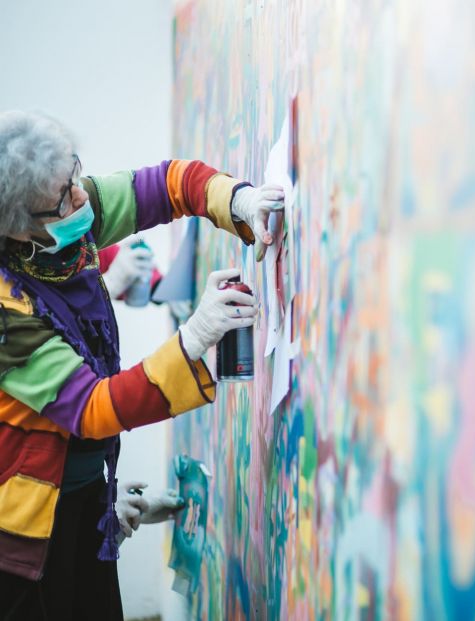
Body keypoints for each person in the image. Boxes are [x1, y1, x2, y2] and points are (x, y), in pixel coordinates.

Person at [0, 110, 284, 619]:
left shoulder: (69, 220)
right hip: (25, 539)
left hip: (84, 492)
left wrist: (238, 200)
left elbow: (168, 185)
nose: (82, 196)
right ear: (22, 232)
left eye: (74, 173)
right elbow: (91, 407)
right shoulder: (7, 313)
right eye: (63, 196)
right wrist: (193, 338)